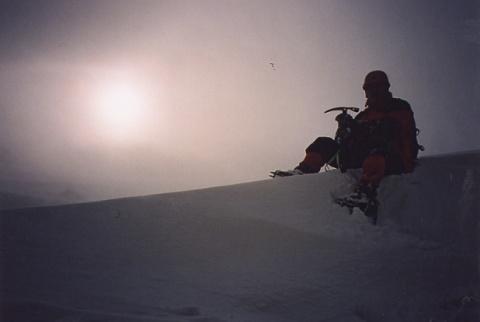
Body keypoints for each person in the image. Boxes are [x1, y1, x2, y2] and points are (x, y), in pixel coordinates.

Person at [273, 70, 420, 192]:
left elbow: (388, 131)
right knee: (323, 143)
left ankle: (367, 188)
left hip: (395, 159)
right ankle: (303, 171)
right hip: (364, 158)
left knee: (378, 146)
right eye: (370, 87)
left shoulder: (399, 106)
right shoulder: (363, 116)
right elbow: (345, 144)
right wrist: (344, 131)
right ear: (366, 91)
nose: (374, 91)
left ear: (386, 87)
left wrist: (355, 126)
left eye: (378, 86)